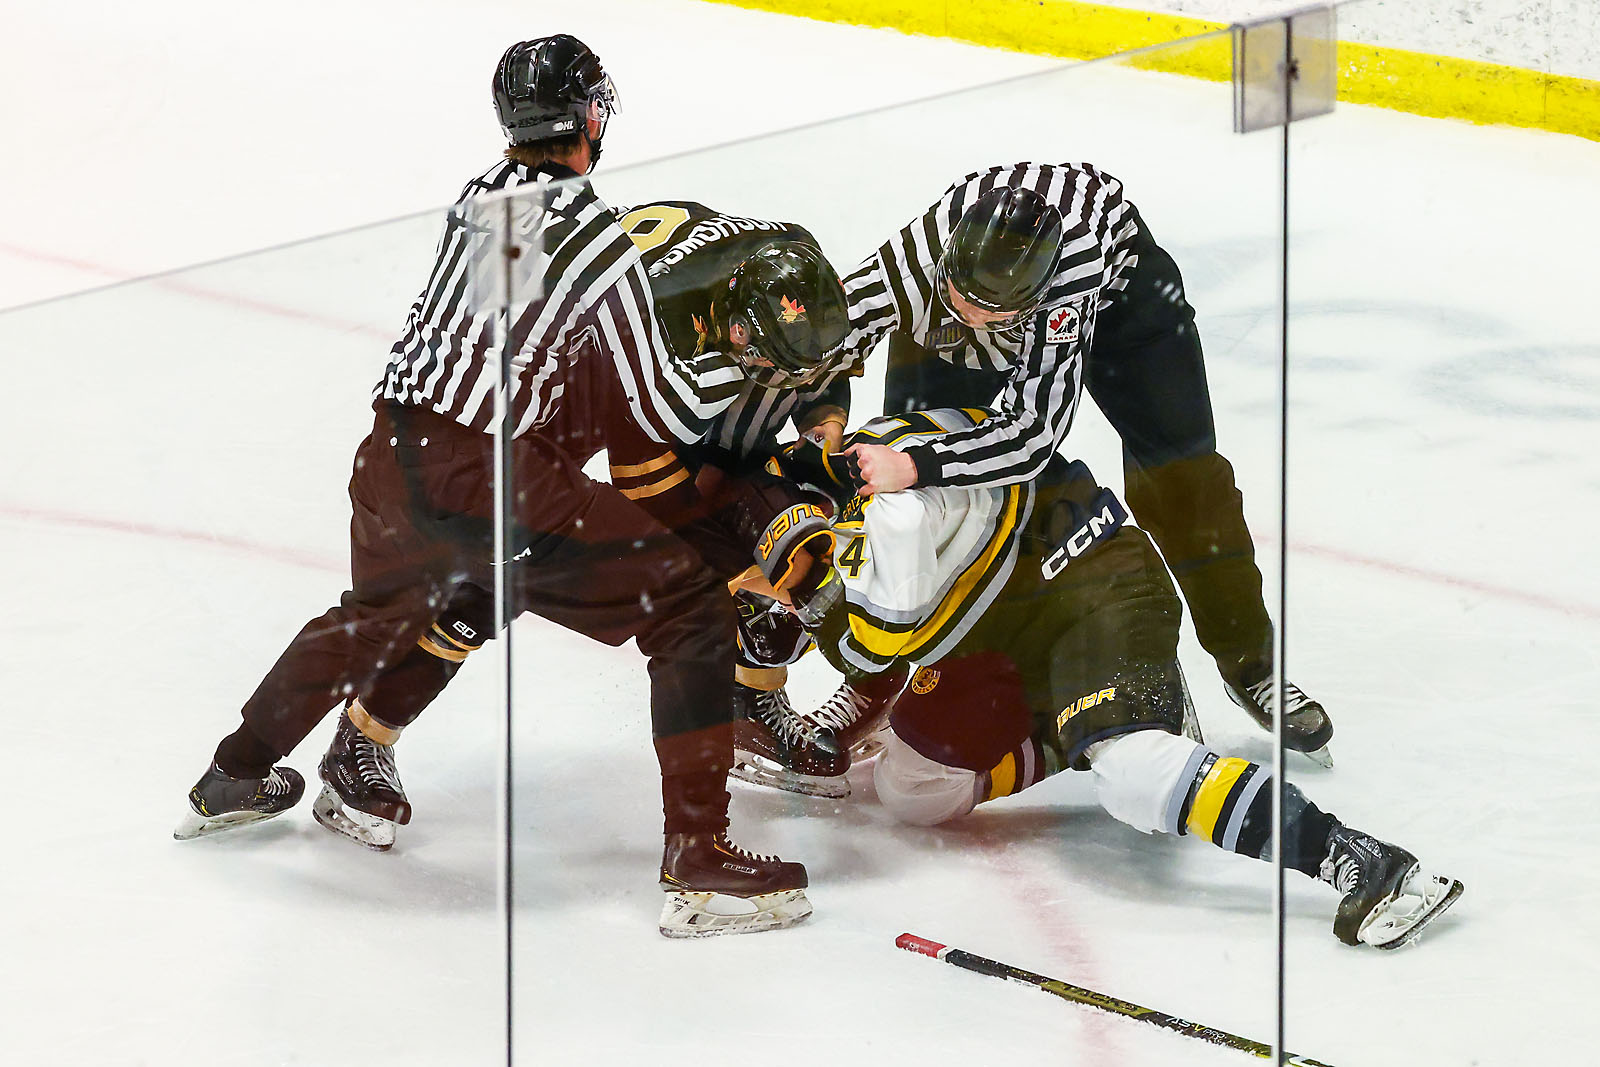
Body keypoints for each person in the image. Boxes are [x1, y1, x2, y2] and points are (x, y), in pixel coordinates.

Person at [173, 35, 813, 939]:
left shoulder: (482, 200)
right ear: (591, 115)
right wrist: (741, 362)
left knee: (375, 613)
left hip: (392, 455)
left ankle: (234, 775)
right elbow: (658, 401)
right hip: (495, 482)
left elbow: (504, 340)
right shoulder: (599, 243)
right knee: (688, 607)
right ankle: (699, 858)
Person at [763, 412, 1461, 950]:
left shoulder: (898, 512)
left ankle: (1362, 859)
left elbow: (876, 646)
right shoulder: (865, 465)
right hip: (1003, 635)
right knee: (911, 790)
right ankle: (1077, 736)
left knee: (1135, 780)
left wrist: (806, 589)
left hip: (1098, 588)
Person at [830, 163, 1332, 765]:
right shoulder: (921, 257)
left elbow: (1031, 433)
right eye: (963, 303)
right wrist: (825, 416)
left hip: (1127, 310)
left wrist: (916, 462)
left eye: (994, 316)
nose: (975, 322)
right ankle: (876, 678)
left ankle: (1249, 662)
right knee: (920, 506)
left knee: (1185, 484)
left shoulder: (1070, 275)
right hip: (990, 295)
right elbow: (828, 333)